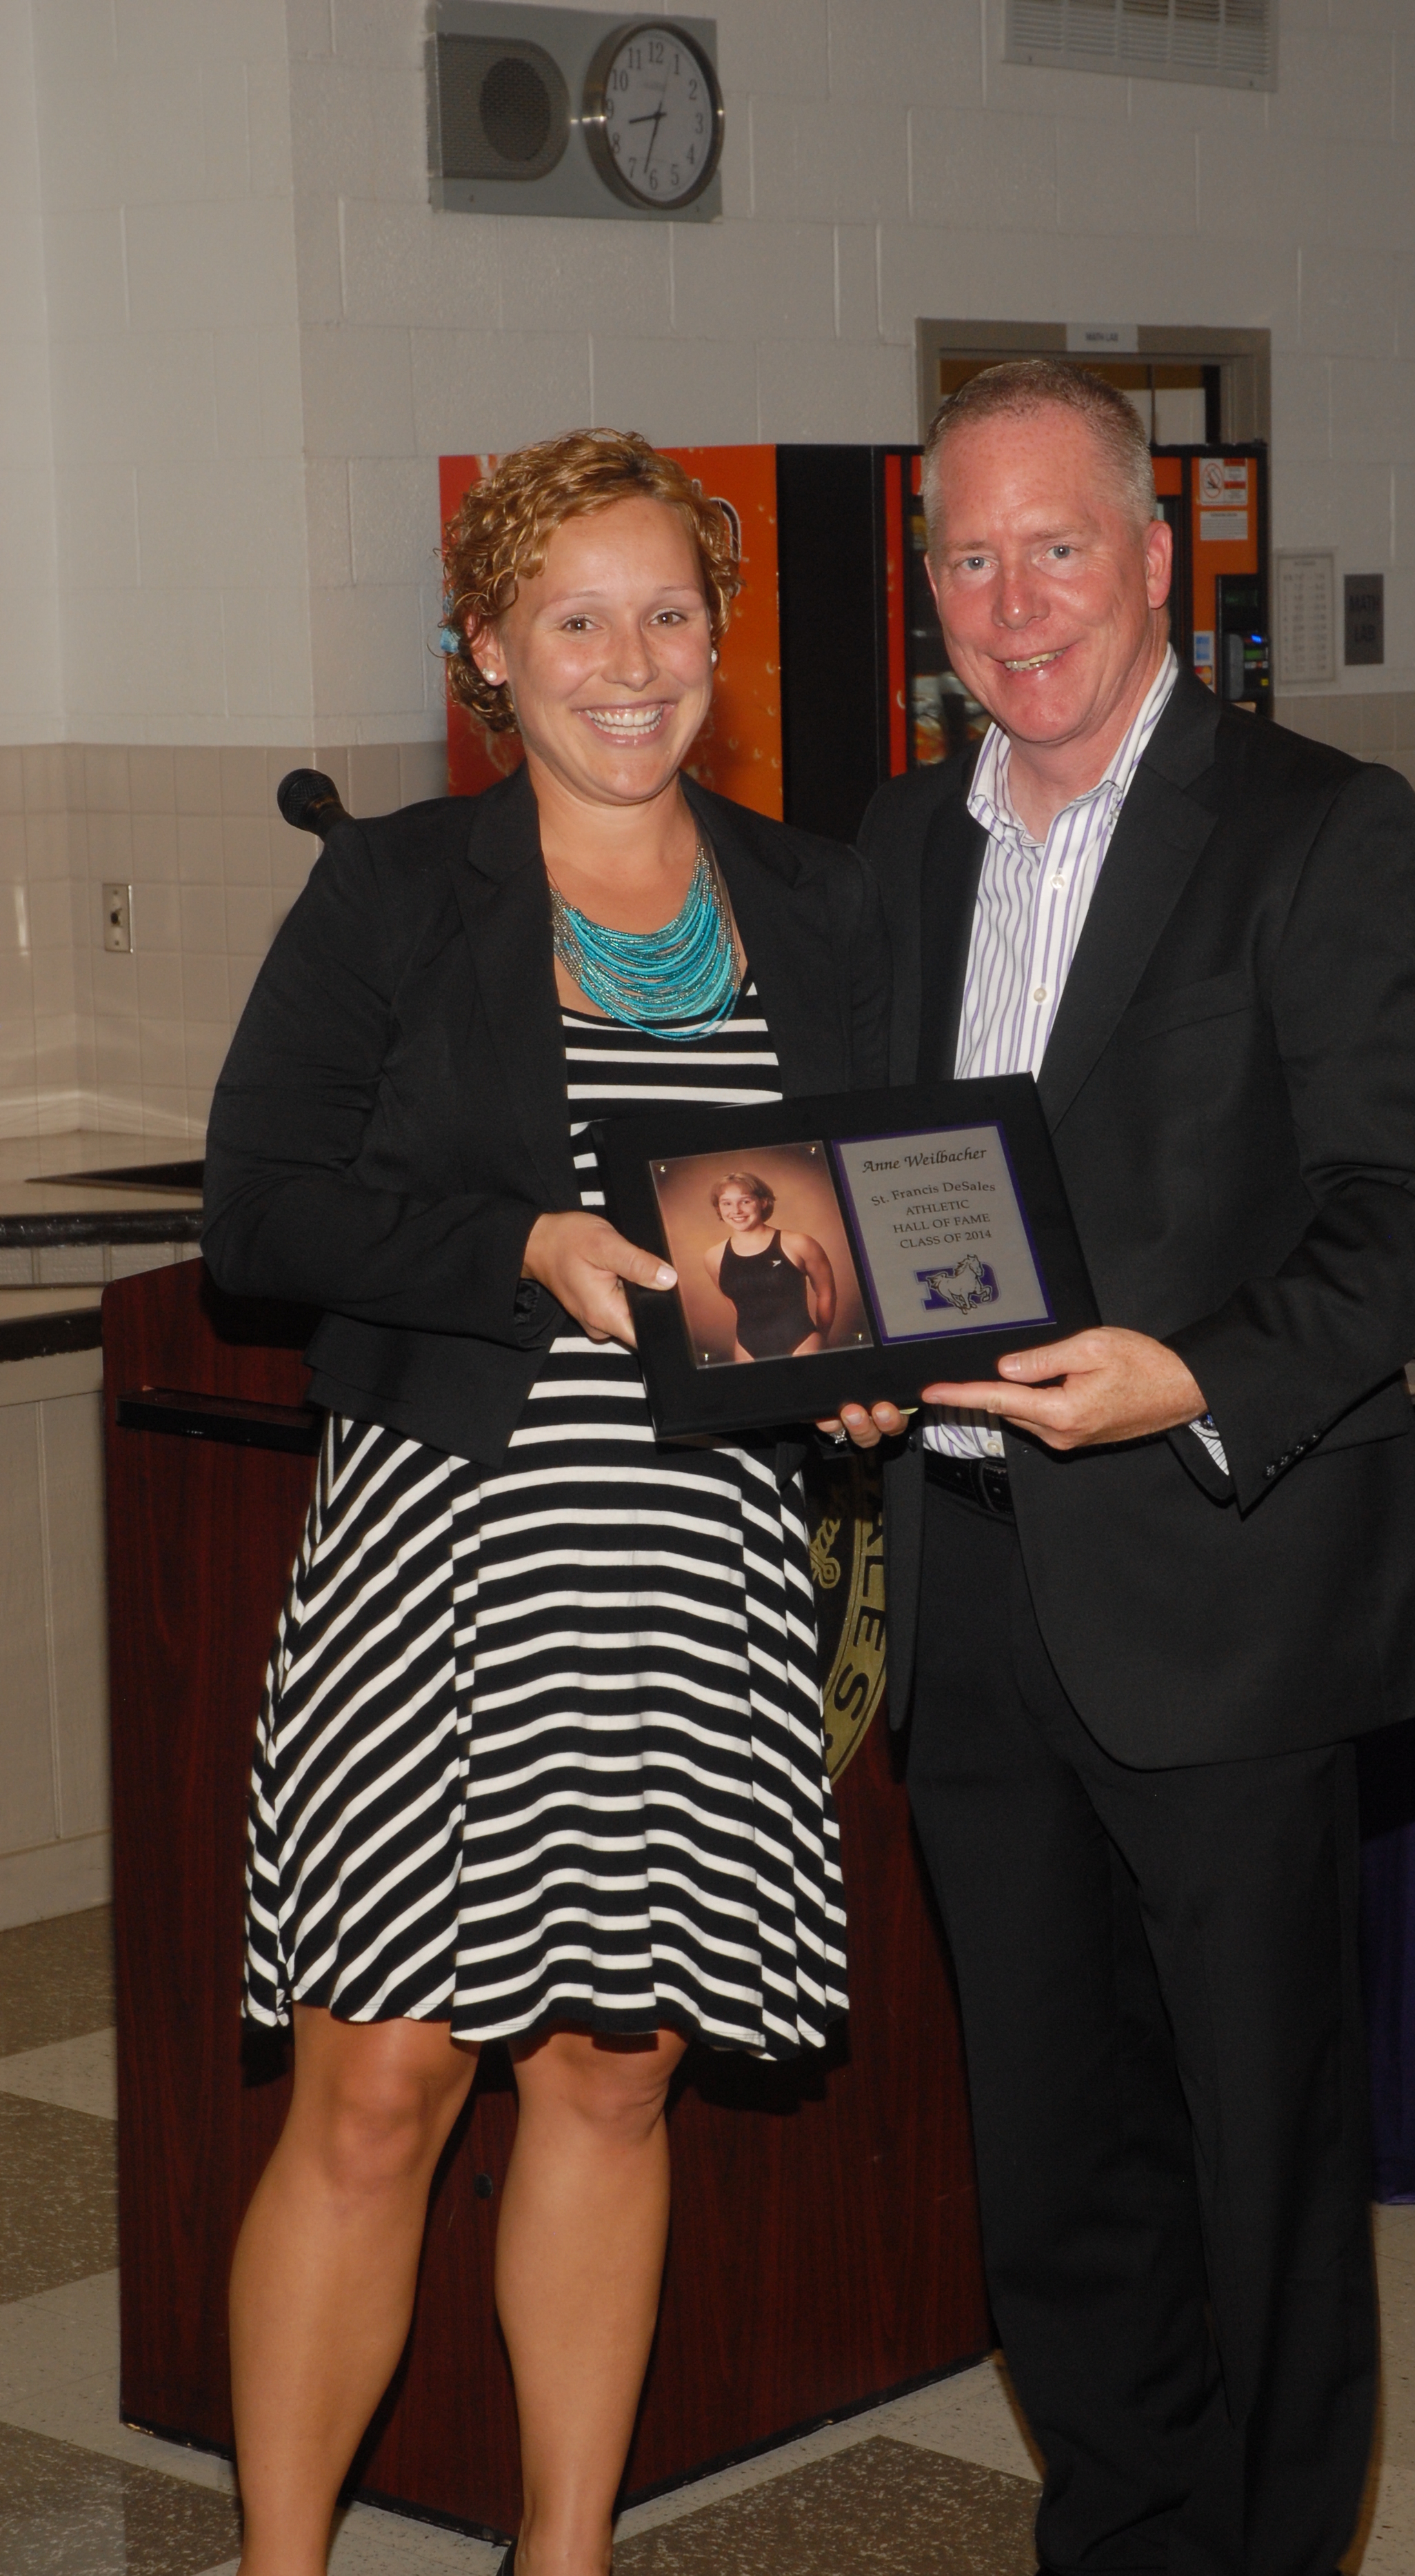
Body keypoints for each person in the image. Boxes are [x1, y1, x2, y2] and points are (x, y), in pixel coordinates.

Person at [201, 428, 891, 2576]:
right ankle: (288, 2562)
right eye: (573, 619)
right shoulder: (398, 896)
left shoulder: (815, 897)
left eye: (668, 612)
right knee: (379, 2090)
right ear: (484, 651)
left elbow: (864, 1208)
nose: (628, 660)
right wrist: (517, 1248)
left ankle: (562, 2557)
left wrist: (866, 1370)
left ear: (720, 636)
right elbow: (263, 1214)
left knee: (611, 2077)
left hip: (694, 1569)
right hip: (451, 1556)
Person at [836, 361, 1415, 2576]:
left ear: (1149, 557)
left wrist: (1186, 1380)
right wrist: (829, 1352)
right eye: (964, 555)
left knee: (1257, 2158)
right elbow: (868, 1181)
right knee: (1051, 2152)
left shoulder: (1320, 826)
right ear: (924, 583)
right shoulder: (901, 845)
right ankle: (1118, 2538)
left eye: (1051, 546)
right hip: (972, 1588)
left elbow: (1408, 1205)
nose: (1008, 601)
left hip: (1218, 1579)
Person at [703, 1170, 836, 1359]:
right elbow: (736, 1304)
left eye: (745, 1201)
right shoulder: (713, 1257)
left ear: (763, 1202)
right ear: (719, 1209)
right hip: (746, 1349)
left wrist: (822, 1338)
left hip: (803, 1343)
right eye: (727, 1203)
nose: (736, 1211)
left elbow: (826, 1293)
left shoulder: (799, 1243)